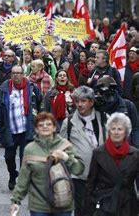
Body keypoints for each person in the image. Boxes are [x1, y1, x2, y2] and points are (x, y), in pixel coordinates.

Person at [10, 112, 84, 216]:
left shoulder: (65, 146)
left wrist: (66, 157)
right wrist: (15, 201)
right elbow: (24, 177)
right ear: (36, 129)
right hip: (39, 205)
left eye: (49, 124)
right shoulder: (30, 149)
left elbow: (79, 170)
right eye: (41, 125)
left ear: (54, 128)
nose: (45, 126)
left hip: (63, 202)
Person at [0, 65, 42, 190]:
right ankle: (12, 175)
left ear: (23, 74)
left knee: (25, 158)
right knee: (9, 157)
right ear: (11, 75)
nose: (16, 75)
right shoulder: (5, 90)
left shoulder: (32, 88)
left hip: (27, 130)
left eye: (19, 73)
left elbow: (41, 107)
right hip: (10, 130)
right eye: (14, 73)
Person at [59, 86, 107, 216]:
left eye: (83, 101)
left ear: (91, 102)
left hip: (101, 175)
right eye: (77, 101)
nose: (79, 104)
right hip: (79, 176)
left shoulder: (103, 118)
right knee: (82, 210)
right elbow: (60, 147)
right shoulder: (68, 122)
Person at [85, 113, 138, 216]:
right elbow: (91, 183)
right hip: (105, 203)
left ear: (126, 132)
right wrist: (88, 209)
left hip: (127, 204)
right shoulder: (98, 153)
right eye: (113, 129)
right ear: (108, 131)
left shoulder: (135, 154)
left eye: (120, 129)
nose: (116, 132)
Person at [94, 76, 139, 147]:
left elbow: (135, 129)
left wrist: (136, 148)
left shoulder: (128, 105)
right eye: (100, 93)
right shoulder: (97, 107)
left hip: (127, 149)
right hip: (106, 150)